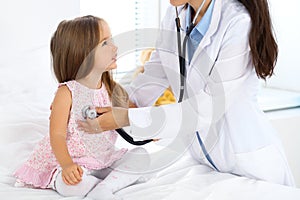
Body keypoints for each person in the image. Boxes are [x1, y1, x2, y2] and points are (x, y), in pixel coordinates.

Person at [78, 0, 295, 186]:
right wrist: (102, 103)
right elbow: (155, 73)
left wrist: (127, 117)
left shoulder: (237, 23)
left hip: (249, 166)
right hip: (207, 162)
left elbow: (208, 107)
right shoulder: (177, 14)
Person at [14, 15, 149, 200]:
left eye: (112, 40)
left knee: (142, 156)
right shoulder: (67, 92)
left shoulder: (111, 90)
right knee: (71, 186)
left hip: (104, 159)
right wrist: (68, 166)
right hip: (76, 164)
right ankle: (109, 184)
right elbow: (57, 135)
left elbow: (131, 118)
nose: (115, 47)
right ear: (82, 54)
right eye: (105, 43)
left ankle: (103, 189)